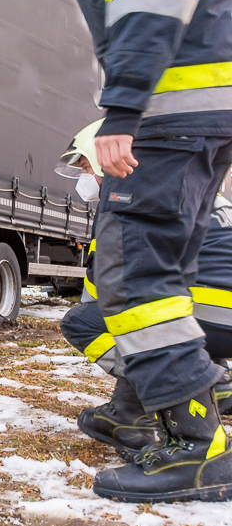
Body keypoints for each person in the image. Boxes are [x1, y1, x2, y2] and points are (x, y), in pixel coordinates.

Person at [74, 0, 232, 502]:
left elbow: (151, 6)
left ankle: (198, 447)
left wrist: (122, 111)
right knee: (162, 281)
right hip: (193, 121)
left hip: (168, 122)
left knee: (135, 280)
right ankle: (139, 416)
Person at [59, 122, 232, 464]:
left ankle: (182, 390)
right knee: (161, 311)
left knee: (87, 321)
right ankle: (213, 383)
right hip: (220, 320)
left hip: (206, 314)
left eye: (86, 167)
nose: (84, 178)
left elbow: (106, 288)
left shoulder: (125, 197)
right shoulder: (196, 186)